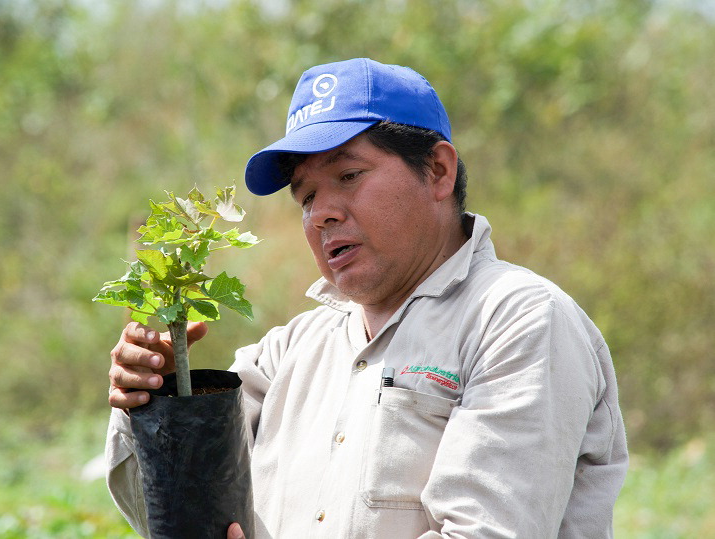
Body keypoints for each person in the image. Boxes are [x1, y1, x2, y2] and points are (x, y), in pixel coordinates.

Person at [105, 58, 628, 538]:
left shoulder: (518, 320)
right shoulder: (287, 353)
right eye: (307, 197)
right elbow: (179, 518)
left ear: (438, 171)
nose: (321, 214)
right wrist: (154, 405)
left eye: (349, 175)